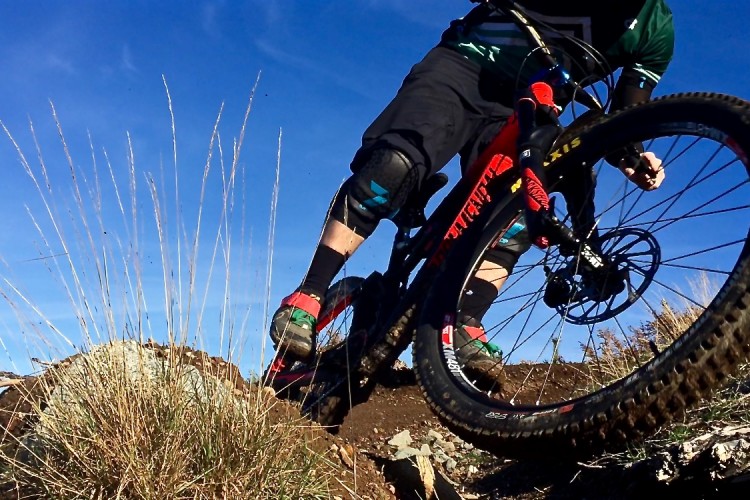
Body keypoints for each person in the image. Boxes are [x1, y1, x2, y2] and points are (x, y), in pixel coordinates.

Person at [270, 0, 674, 366]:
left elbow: (623, 116)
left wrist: (633, 156)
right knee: (394, 167)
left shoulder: (656, 29)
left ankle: (465, 323)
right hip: (464, 66)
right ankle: (309, 294)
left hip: (531, 104)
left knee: (520, 211)